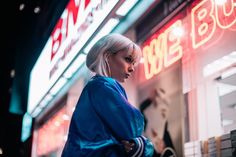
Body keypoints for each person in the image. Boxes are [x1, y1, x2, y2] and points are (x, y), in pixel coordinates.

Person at [61, 33, 154, 157]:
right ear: (107, 56)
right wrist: (143, 143)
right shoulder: (103, 86)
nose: (132, 68)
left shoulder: (95, 87)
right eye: (128, 59)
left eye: (133, 63)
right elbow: (132, 128)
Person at [139, 88, 176, 157]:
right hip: (152, 144)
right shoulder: (148, 112)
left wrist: (158, 94)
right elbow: (142, 108)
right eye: (157, 96)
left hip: (164, 142)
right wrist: (150, 99)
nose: (158, 99)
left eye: (158, 96)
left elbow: (167, 101)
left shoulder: (163, 111)